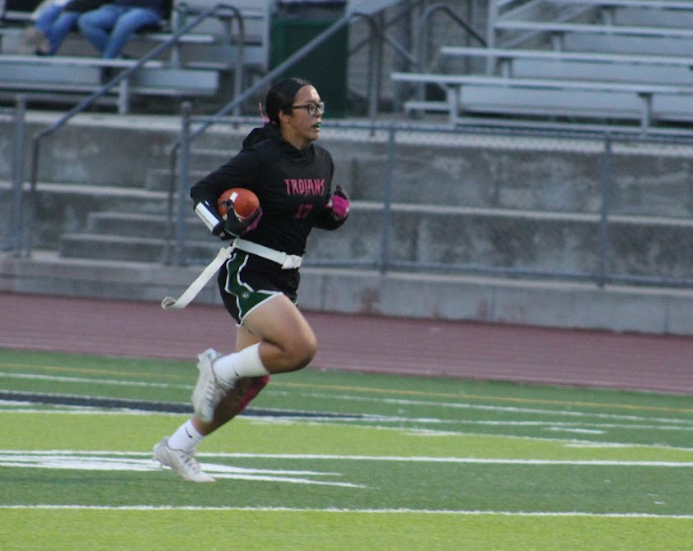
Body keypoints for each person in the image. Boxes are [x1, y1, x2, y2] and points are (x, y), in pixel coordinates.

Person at [153, 77, 350, 482]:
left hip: (287, 273)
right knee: (301, 348)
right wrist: (222, 225)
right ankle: (219, 368)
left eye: (319, 106)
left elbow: (308, 215)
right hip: (249, 270)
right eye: (308, 107)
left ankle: (178, 445)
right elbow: (202, 191)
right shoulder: (261, 158)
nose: (317, 114)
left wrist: (333, 215)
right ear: (283, 116)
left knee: (251, 383)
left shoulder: (323, 159)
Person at [77, 0, 164, 59]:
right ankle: (117, 58)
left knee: (126, 21)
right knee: (86, 21)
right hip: (118, 7)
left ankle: (107, 64)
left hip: (147, 9)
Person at [18, 0, 107, 55]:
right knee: (50, 11)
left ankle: (44, 51)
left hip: (87, 10)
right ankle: (38, 38)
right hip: (67, 6)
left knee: (63, 21)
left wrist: (69, 8)